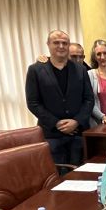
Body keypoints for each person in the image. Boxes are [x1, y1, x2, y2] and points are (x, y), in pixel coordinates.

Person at [25, 30, 93, 167]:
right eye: (56, 42)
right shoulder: (36, 70)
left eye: (64, 43)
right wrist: (56, 123)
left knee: (80, 175)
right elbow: (33, 103)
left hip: (78, 133)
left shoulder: (80, 69)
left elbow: (89, 99)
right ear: (48, 44)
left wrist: (76, 121)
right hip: (51, 134)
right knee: (55, 177)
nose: (61, 46)